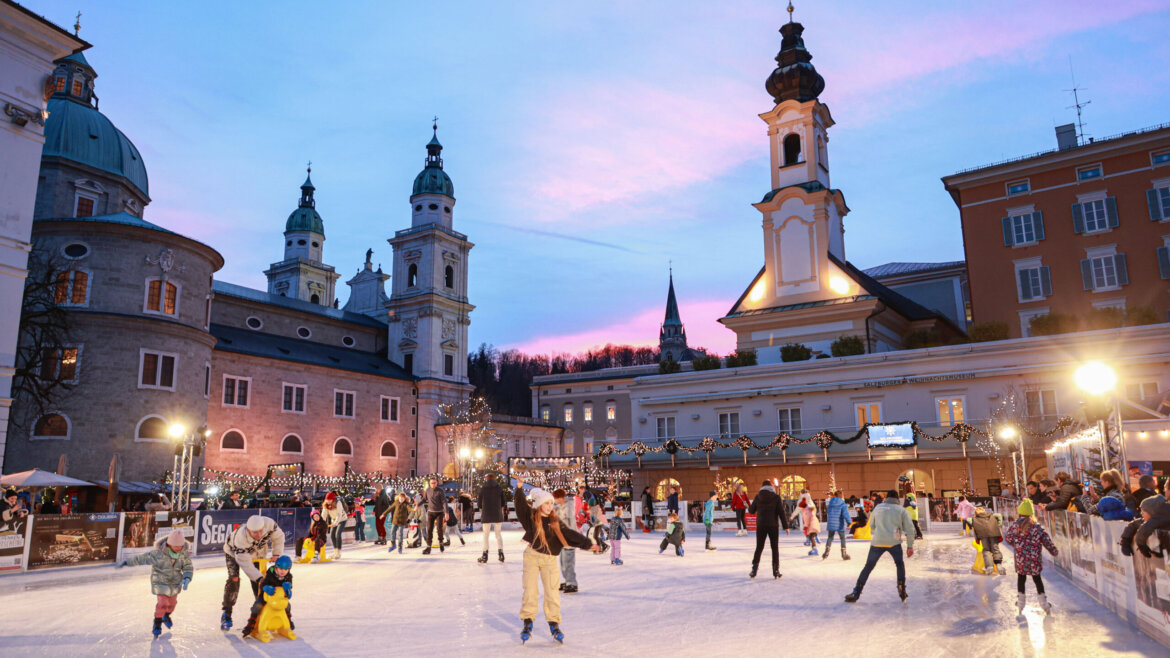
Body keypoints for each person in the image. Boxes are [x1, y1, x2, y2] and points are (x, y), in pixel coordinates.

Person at [513, 475, 596, 644]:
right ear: (539, 505)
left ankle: (554, 622)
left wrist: (588, 544)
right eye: (546, 503)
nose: (550, 506)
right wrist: (519, 488)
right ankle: (528, 620)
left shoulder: (555, 521)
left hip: (550, 560)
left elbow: (569, 534)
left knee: (552, 592)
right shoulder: (531, 518)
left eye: (551, 503)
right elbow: (520, 506)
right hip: (532, 556)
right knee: (530, 590)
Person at [117, 529, 193, 638]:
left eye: (180, 546)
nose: (178, 548)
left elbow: (188, 567)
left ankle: (166, 616)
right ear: (169, 543)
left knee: (171, 605)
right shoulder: (158, 554)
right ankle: (157, 624)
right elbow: (142, 558)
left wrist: (187, 578)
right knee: (162, 604)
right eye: (175, 546)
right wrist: (127, 562)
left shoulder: (183, 555)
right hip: (160, 582)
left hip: (175, 583)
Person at [844, 490, 915, 603]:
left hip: (878, 541)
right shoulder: (901, 510)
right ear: (897, 499)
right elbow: (910, 529)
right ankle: (901, 587)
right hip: (894, 541)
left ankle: (856, 591)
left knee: (868, 566)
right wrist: (910, 546)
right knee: (899, 564)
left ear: (887, 498)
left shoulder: (878, 508)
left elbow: (872, 525)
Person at [221, 514, 286, 630]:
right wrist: (259, 578)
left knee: (260, 584)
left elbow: (279, 537)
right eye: (255, 533)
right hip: (233, 552)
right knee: (234, 579)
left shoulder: (269, 524)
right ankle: (226, 613)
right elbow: (246, 564)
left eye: (261, 531)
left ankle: (262, 614)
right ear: (248, 529)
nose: (259, 535)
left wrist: (277, 553)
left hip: (257, 553)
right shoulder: (240, 538)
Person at [1003, 499, 1058, 614]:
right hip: (1034, 558)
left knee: (1021, 578)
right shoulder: (1037, 527)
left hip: (1020, 559)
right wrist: (1054, 551)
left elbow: (1008, 538)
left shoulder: (1015, 526)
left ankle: (1021, 602)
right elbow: (1046, 540)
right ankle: (1043, 603)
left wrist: (1017, 546)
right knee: (1037, 579)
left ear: (1020, 513)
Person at [241, 555, 294, 638]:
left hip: (280, 598)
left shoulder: (289, 576)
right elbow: (263, 584)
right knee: (258, 605)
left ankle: (289, 620)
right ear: (276, 568)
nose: (283, 572)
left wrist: (288, 590)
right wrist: (265, 587)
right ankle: (251, 623)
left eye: (286, 569)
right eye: (281, 569)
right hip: (267, 596)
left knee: (287, 605)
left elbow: (290, 588)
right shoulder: (270, 574)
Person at [748, 479, 791, 579]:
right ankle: (776, 570)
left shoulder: (758, 496)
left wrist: (750, 506)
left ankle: (754, 569)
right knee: (774, 548)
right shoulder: (776, 497)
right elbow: (781, 512)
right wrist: (786, 527)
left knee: (759, 547)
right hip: (773, 525)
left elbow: (751, 511)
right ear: (771, 487)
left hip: (761, 525)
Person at [552, 490, 580, 593]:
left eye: (555, 498)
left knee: (568, 562)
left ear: (560, 498)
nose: (554, 501)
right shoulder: (561, 508)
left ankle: (572, 583)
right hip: (563, 540)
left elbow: (565, 522)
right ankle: (567, 580)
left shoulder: (568, 507)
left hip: (569, 539)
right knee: (563, 562)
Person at [477, 473, 507, 563]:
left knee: (486, 535)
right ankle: (501, 553)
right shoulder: (499, 488)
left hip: (486, 513)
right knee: (498, 534)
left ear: (486, 479)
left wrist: (482, 508)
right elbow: (503, 502)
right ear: (495, 479)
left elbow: (479, 502)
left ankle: (485, 555)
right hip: (497, 514)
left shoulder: (483, 488)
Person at [971, 507, 1004, 574]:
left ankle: (989, 566)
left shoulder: (975, 519)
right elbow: (999, 515)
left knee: (986, 550)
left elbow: (975, 530)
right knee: (995, 549)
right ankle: (998, 564)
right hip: (994, 533)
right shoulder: (991, 515)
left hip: (983, 536)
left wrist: (977, 539)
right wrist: (999, 526)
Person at [824, 490, 851, 561]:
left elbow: (828, 512)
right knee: (842, 538)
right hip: (839, 523)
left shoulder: (830, 503)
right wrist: (849, 521)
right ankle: (844, 553)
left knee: (830, 537)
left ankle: (827, 550)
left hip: (831, 522)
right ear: (841, 495)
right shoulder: (843, 504)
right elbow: (845, 514)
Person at [423, 478, 447, 555]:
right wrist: (417, 505)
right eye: (431, 483)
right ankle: (428, 546)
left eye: (434, 483)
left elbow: (444, 501)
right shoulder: (427, 490)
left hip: (439, 512)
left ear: (437, 483)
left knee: (439, 528)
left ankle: (441, 542)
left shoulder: (440, 491)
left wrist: (446, 512)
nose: (433, 484)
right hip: (430, 512)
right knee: (429, 529)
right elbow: (424, 500)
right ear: (430, 483)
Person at [321, 492, 347, 560]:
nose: (328, 501)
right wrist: (321, 523)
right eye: (327, 500)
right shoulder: (326, 505)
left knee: (337, 534)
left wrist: (336, 523)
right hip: (334, 520)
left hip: (342, 520)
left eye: (330, 500)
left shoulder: (338, 503)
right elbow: (324, 514)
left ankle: (339, 552)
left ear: (333, 499)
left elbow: (339, 514)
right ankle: (335, 551)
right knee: (332, 535)